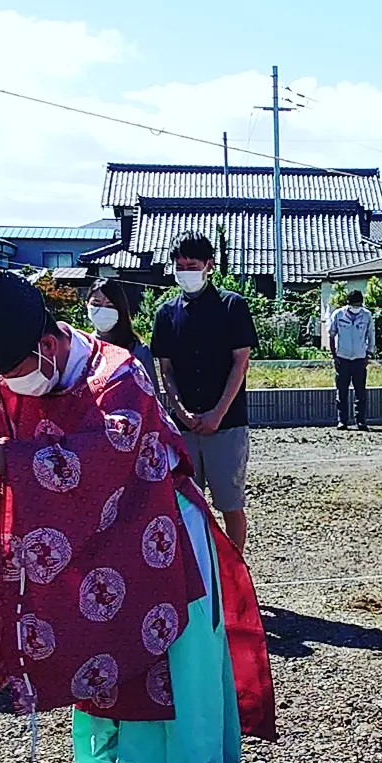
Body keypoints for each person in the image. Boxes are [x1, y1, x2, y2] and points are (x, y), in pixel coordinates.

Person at [0, 270, 275, 763]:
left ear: (45, 344)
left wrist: (9, 461)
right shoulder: (9, 384)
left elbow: (113, 449)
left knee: (152, 663)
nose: (9, 386)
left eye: (13, 371)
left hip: (154, 536)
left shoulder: (119, 375)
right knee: (88, 651)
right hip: (83, 547)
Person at [149, 233, 258, 555]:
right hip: (184, 427)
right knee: (186, 504)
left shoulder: (232, 305)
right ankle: (196, 573)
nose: (185, 271)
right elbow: (165, 369)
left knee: (230, 503)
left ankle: (235, 573)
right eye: (179, 266)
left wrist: (217, 413)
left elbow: (241, 363)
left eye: (192, 265)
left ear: (209, 266)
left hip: (227, 424)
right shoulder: (166, 313)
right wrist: (180, 411)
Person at [86, 277, 158, 389]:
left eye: (110, 306)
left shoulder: (138, 349)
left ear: (120, 309)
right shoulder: (84, 347)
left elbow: (152, 394)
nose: (102, 310)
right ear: (87, 305)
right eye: (96, 303)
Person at [328, 287, 376, 430]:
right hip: (342, 358)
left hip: (359, 359)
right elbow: (331, 334)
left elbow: (371, 335)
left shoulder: (367, 316)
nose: (356, 308)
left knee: (360, 392)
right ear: (348, 304)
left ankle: (360, 420)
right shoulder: (338, 315)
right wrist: (334, 355)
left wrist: (369, 354)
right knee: (341, 391)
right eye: (354, 305)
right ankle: (342, 420)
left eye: (358, 305)